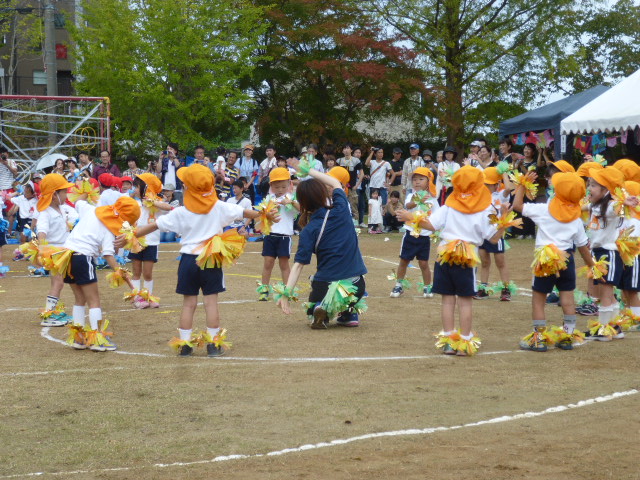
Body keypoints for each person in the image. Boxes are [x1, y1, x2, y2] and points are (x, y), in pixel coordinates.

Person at [134, 164, 278, 356]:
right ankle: (213, 345)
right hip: (211, 260)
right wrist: (265, 214)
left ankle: (184, 344)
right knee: (211, 303)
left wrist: (131, 235)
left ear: (187, 188)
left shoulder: (181, 212)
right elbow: (245, 213)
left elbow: (153, 226)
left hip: (187, 261)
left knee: (188, 304)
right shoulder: (219, 207)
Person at [396, 166, 508, 356]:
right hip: (466, 256)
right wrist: (503, 218)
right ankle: (464, 341)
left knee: (447, 301)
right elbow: (494, 238)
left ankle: (449, 341)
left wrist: (410, 216)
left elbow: (431, 225)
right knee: (465, 303)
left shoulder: (449, 205)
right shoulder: (485, 208)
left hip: (446, 253)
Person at [513, 171, 596, 352]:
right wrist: (593, 266)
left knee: (538, 299)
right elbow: (583, 248)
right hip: (566, 259)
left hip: (546, 260)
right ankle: (567, 336)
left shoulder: (544, 209)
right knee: (567, 297)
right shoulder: (575, 217)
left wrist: (522, 184)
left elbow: (517, 205)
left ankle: (539, 338)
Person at [277, 163, 367, 329]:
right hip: (356, 285)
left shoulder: (308, 230)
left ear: (302, 203)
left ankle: (319, 309)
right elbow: (335, 183)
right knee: (353, 287)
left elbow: (298, 266)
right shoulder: (341, 209)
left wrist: (285, 295)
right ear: (323, 194)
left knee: (316, 294)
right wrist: (307, 170)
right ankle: (348, 314)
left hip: (325, 285)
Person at [64, 195, 141, 352]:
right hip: (83, 257)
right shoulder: (108, 228)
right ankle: (97, 339)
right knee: (94, 301)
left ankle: (79, 338)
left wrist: (85, 190)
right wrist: (120, 271)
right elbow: (108, 254)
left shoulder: (91, 210)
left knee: (79, 299)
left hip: (65, 256)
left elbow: (78, 202)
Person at [584, 167, 630, 341]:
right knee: (609, 293)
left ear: (606, 190)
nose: (590, 188)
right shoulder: (595, 205)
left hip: (608, 253)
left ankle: (604, 330)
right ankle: (615, 327)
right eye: (590, 184)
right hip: (599, 253)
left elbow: (616, 208)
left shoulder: (610, 205)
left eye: (594, 185)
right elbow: (582, 206)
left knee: (606, 291)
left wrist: (626, 201)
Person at [33, 173, 77, 326]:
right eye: (63, 191)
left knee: (59, 283)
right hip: (54, 252)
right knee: (57, 283)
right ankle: (49, 315)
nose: (67, 194)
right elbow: (42, 231)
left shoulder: (63, 209)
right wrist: (41, 250)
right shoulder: (45, 212)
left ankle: (54, 312)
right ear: (54, 195)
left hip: (63, 251)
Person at [390, 167, 439, 299]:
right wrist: (418, 200)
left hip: (424, 236)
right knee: (404, 260)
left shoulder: (433, 199)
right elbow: (409, 206)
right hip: (410, 234)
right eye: (415, 179)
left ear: (429, 181)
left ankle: (428, 286)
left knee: (423, 263)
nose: (417, 182)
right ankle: (399, 285)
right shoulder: (411, 195)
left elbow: (437, 217)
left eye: (421, 179)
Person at [128, 173, 172, 309]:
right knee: (136, 272)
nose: (134, 190)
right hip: (136, 241)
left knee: (147, 273)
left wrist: (152, 201)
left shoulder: (156, 203)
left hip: (151, 242)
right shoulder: (134, 203)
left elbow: (169, 208)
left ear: (145, 187)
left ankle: (148, 297)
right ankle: (136, 297)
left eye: (136, 187)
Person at [257, 168, 299, 301]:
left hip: (285, 236)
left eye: (283, 186)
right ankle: (264, 290)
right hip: (270, 235)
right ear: (271, 186)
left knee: (284, 264)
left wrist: (291, 202)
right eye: (276, 187)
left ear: (289, 184)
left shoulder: (291, 198)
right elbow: (261, 214)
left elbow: (302, 209)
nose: (280, 189)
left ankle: (287, 290)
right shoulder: (269, 199)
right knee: (268, 263)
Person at [475, 167, 514, 301]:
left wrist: (503, 172)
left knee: (500, 262)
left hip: (495, 234)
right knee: (484, 262)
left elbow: (509, 187)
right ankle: (484, 288)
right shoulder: (479, 197)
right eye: (484, 183)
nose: (485, 186)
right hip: (482, 235)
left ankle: (506, 289)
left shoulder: (500, 195)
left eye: (488, 184)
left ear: (496, 185)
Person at [337, 143, 363, 218]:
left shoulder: (356, 161)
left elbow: (361, 174)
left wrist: (357, 185)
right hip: (341, 188)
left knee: (353, 206)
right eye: (344, 148)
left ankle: (356, 226)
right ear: (342, 151)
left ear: (351, 150)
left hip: (352, 188)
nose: (346, 150)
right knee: (341, 206)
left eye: (348, 148)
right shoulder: (339, 161)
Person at [0, 146, 18, 236]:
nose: (3, 155)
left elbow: (15, 173)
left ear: (8, 154)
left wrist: (6, 164)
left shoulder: (11, 162)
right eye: (1, 153)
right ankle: (2, 231)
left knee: (10, 212)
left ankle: (9, 232)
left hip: (10, 189)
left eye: (5, 153)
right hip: (0, 190)